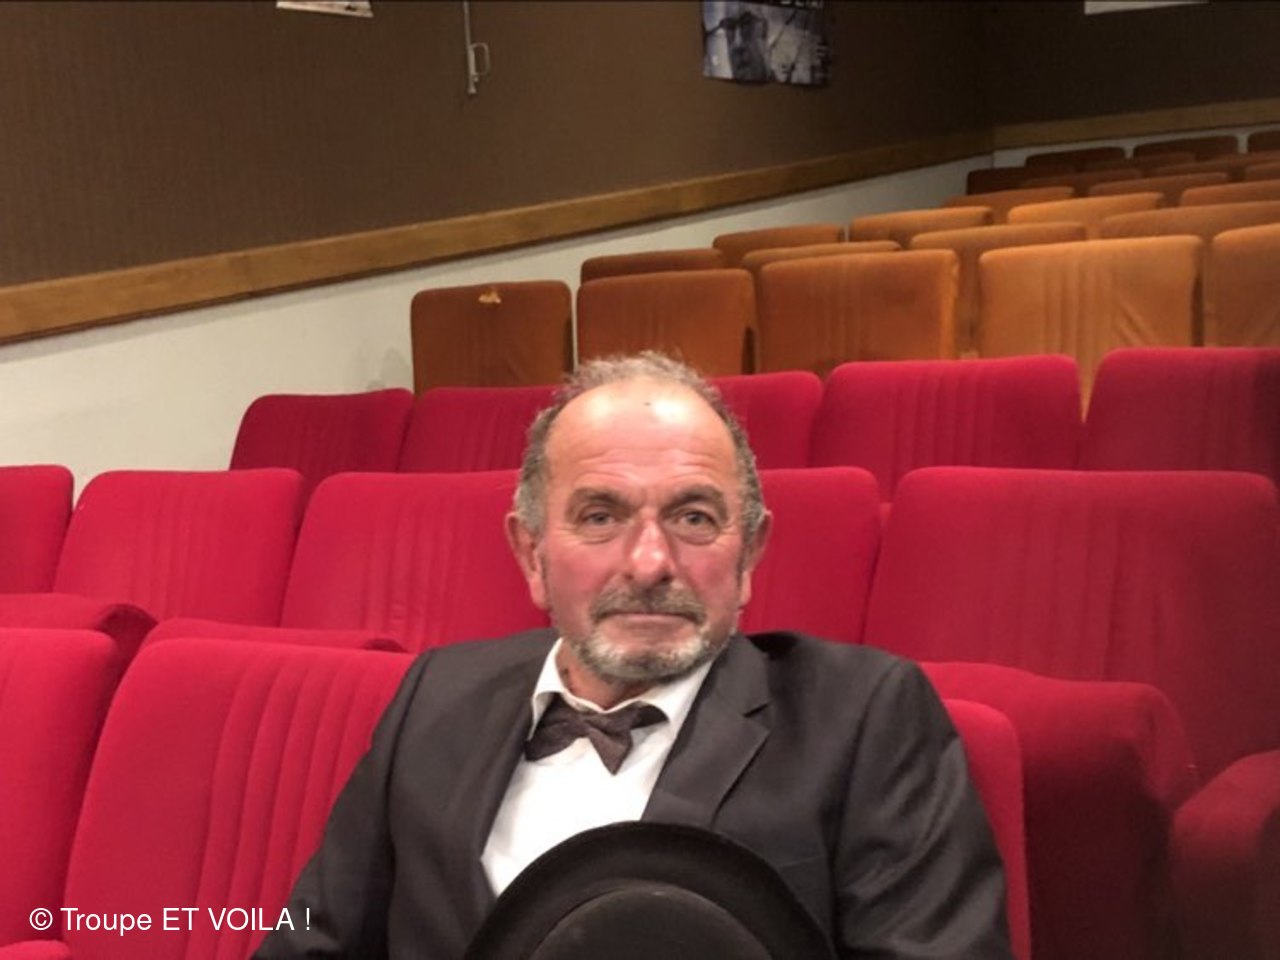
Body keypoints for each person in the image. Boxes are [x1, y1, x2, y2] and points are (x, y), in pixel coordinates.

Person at [255, 352, 1011, 959]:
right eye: (599, 516)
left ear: (749, 553)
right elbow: (311, 939)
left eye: (693, 517)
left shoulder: (865, 717)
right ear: (531, 554)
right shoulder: (433, 696)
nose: (650, 563)